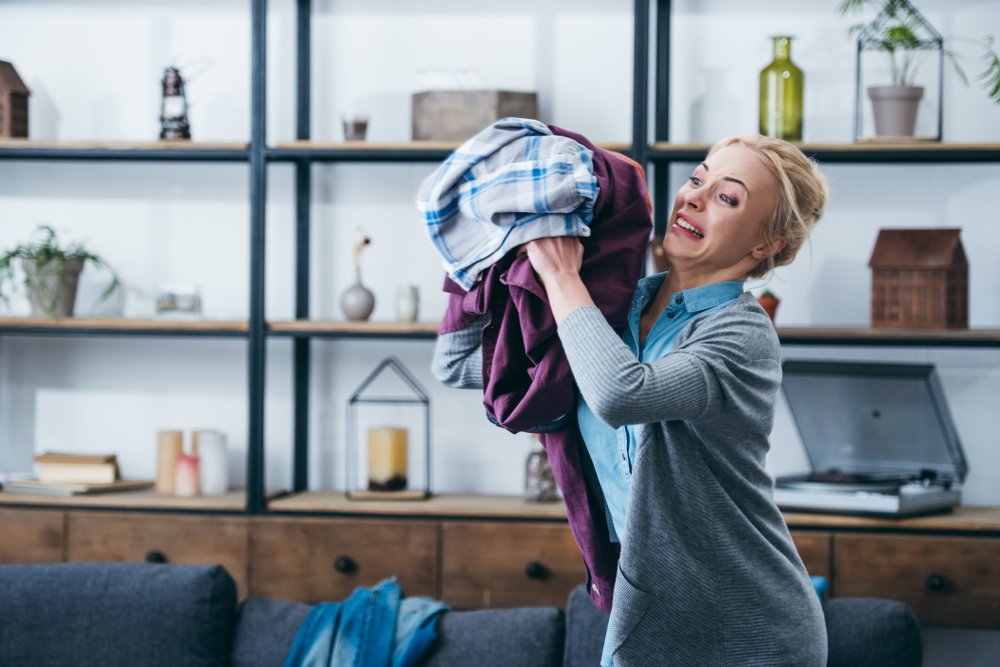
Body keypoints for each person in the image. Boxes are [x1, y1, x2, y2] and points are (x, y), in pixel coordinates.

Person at [522, 135, 829, 666]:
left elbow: (620, 392)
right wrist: (478, 259)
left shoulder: (741, 335)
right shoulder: (612, 308)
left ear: (766, 245)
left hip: (751, 631)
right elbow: (464, 369)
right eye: (697, 179)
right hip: (655, 615)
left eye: (727, 198)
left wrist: (559, 273)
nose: (694, 197)